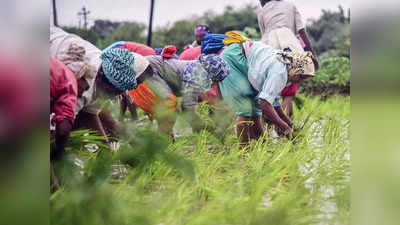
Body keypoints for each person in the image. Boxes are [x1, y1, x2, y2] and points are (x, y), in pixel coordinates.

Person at [106, 41, 230, 134]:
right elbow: (187, 109)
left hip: (149, 76)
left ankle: (164, 144)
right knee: (170, 108)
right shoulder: (197, 75)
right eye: (216, 80)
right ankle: (158, 148)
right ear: (211, 75)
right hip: (144, 75)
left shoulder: (197, 69)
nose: (215, 84)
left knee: (168, 112)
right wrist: (210, 130)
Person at [50, 26, 148, 141]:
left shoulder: (105, 68)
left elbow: (89, 113)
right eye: (115, 91)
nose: (114, 96)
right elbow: (61, 128)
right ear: (104, 79)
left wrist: (106, 150)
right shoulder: (81, 83)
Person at [218, 38, 315, 143]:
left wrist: (290, 124)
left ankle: (262, 145)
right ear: (295, 69)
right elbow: (264, 103)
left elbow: (274, 103)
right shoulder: (279, 73)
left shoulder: (286, 66)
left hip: (242, 57)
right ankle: (243, 152)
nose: (300, 82)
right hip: (234, 59)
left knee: (256, 110)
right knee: (245, 109)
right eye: (301, 77)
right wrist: (284, 127)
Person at [257, 0, 319, 117]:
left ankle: (271, 128)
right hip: (289, 47)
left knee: (269, 92)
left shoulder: (262, 11)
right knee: (288, 93)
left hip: (268, 48)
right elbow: (301, 32)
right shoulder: (290, 5)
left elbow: (264, 33)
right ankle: (285, 128)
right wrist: (311, 54)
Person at [50, 57, 78, 161]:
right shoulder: (69, 80)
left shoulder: (54, 64)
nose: (87, 87)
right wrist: (59, 153)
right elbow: (63, 129)